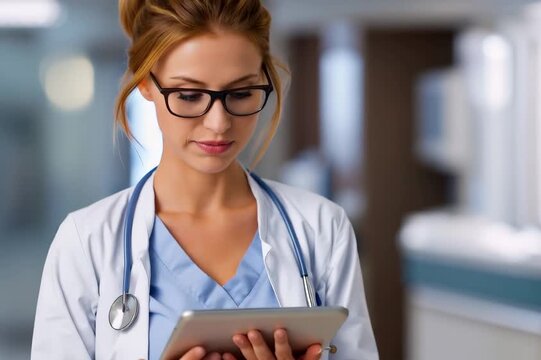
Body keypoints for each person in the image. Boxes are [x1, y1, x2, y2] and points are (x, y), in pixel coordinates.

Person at [30, 0, 378, 359]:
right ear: (145, 83)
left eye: (241, 93)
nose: (218, 123)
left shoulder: (322, 230)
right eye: (189, 95)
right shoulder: (86, 243)